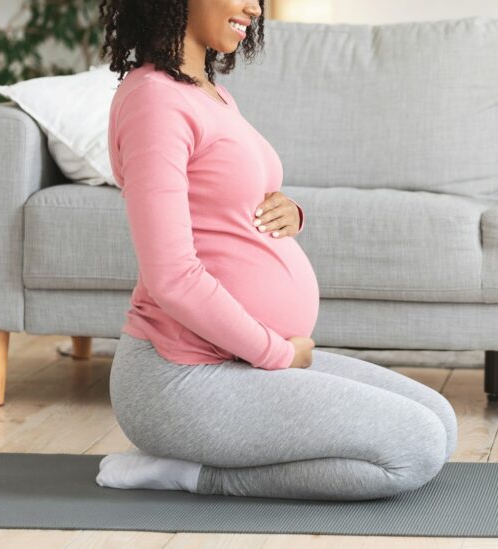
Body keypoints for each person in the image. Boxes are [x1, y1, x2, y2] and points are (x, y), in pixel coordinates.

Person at [94, 0, 458, 501]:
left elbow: (226, 203)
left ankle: (199, 458)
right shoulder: (153, 101)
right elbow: (172, 276)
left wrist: (288, 211)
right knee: (414, 448)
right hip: (181, 377)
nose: (254, 7)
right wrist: (279, 354)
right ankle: (191, 473)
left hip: (241, 361)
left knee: (441, 423)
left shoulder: (211, 94)